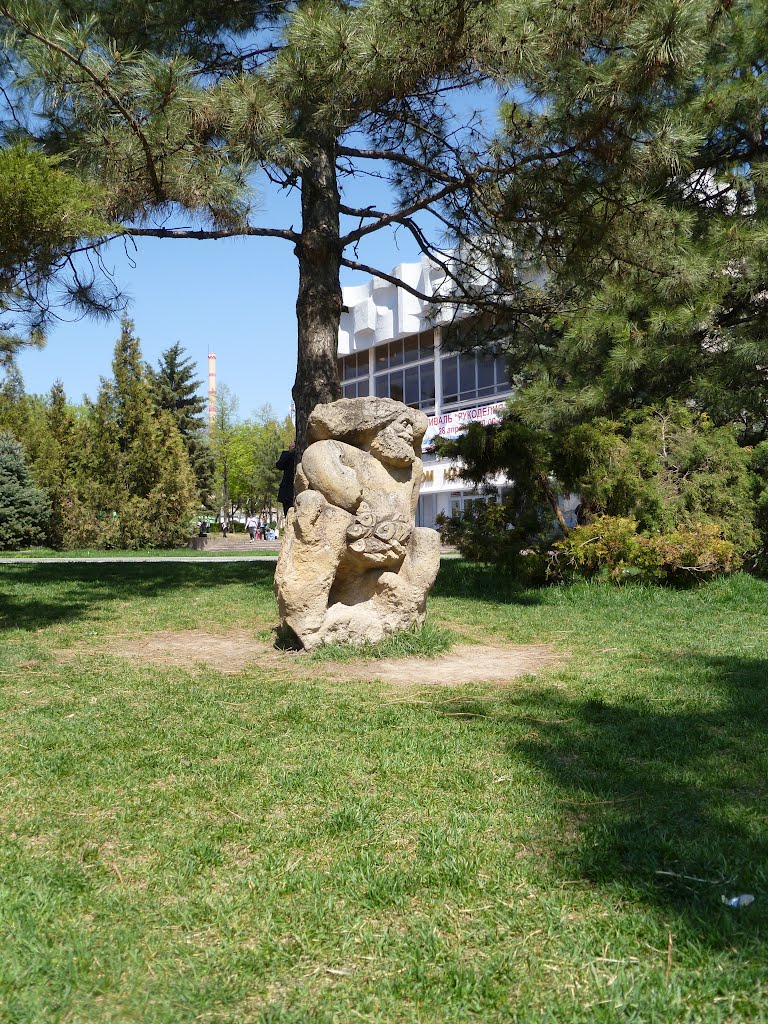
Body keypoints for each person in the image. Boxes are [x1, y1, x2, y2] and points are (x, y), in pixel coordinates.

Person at [276, 442, 296, 518]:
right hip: (288, 489)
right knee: (287, 513)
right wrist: (290, 452)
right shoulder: (286, 454)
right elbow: (279, 465)